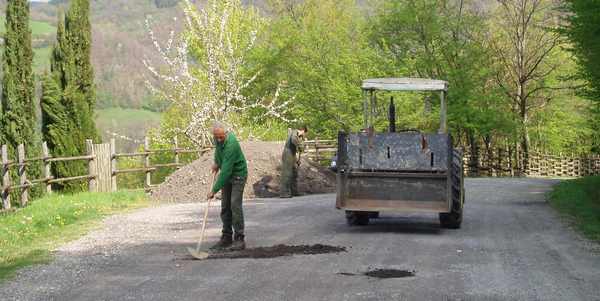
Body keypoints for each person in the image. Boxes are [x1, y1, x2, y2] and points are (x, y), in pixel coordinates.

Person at [207, 122, 248, 251]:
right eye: (216, 137)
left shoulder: (232, 144)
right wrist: (217, 163)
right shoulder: (217, 139)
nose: (218, 139)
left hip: (238, 175)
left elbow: (226, 172)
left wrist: (214, 190)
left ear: (225, 133)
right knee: (225, 206)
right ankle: (226, 237)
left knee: (234, 204)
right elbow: (218, 152)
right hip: (228, 174)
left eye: (220, 137)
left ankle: (239, 238)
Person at [279, 126, 308, 198]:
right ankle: (284, 193)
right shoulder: (295, 132)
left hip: (292, 154)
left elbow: (297, 148)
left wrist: (297, 160)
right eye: (305, 133)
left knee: (294, 173)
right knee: (287, 173)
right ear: (303, 130)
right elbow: (293, 140)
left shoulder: (299, 136)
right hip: (288, 153)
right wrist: (300, 145)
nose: (304, 135)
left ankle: (294, 191)